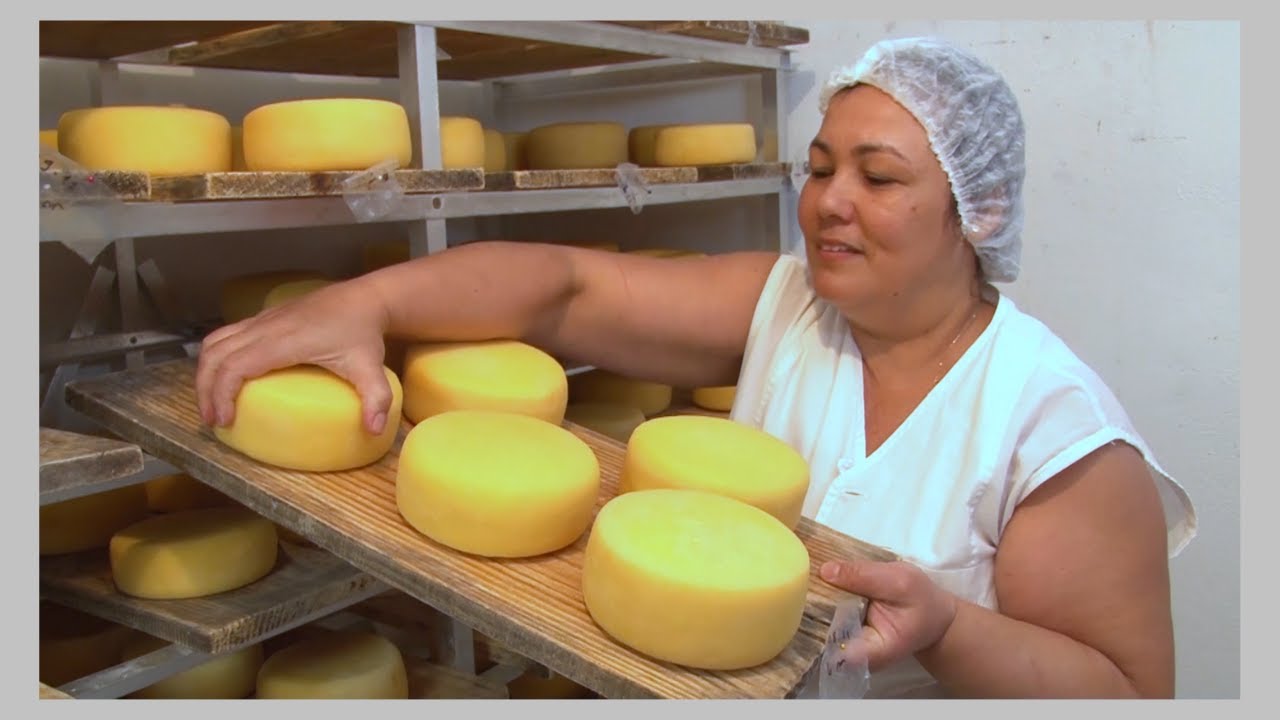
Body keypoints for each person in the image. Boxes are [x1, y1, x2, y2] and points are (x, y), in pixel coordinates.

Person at [195, 37, 1196, 698]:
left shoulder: (1050, 425)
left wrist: (946, 628)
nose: (827, 202)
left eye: (877, 176)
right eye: (817, 168)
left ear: (975, 212)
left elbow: (1129, 694)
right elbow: (560, 288)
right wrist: (359, 304)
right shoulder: (788, 302)